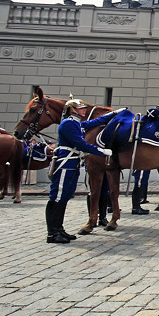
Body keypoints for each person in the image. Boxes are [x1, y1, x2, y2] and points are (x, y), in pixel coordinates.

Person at [46, 98, 121, 243]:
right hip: (65, 163)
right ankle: (53, 233)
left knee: (65, 196)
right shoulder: (68, 124)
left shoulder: (76, 123)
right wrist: (101, 151)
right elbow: (80, 143)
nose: (84, 110)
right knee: (57, 197)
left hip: (72, 163)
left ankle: (60, 229)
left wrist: (113, 114)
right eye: (81, 108)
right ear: (72, 110)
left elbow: (94, 122)